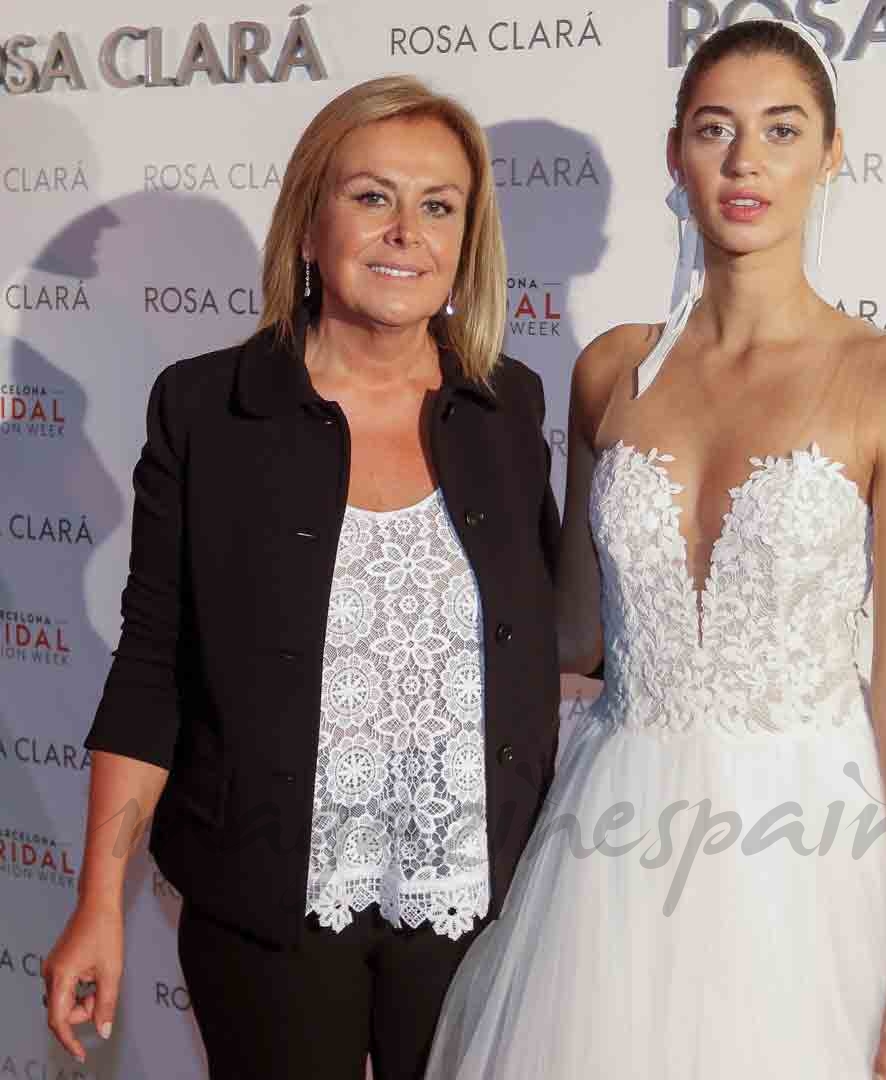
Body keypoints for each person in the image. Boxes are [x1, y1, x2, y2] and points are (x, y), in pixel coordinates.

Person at [426, 19, 886, 1079]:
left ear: (831, 152)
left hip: (805, 853)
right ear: (676, 154)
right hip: (609, 851)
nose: (746, 159)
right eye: (715, 129)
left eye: (781, 129)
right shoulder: (611, 371)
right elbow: (576, 633)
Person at [42, 75, 560, 1080]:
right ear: (310, 224)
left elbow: (550, 635)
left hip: (472, 899)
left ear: (466, 243)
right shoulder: (206, 409)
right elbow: (152, 670)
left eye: (438, 206)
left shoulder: (508, 408)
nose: (406, 231)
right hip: (263, 905)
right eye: (372, 197)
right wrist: (99, 902)